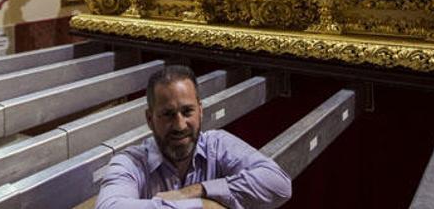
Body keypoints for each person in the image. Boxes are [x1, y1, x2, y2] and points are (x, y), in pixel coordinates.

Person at [96, 66, 292, 209]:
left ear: (200, 111)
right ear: (150, 119)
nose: (180, 125)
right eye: (168, 114)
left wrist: (196, 191)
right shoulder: (130, 162)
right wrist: (205, 207)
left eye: (187, 111)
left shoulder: (218, 144)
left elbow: (279, 184)